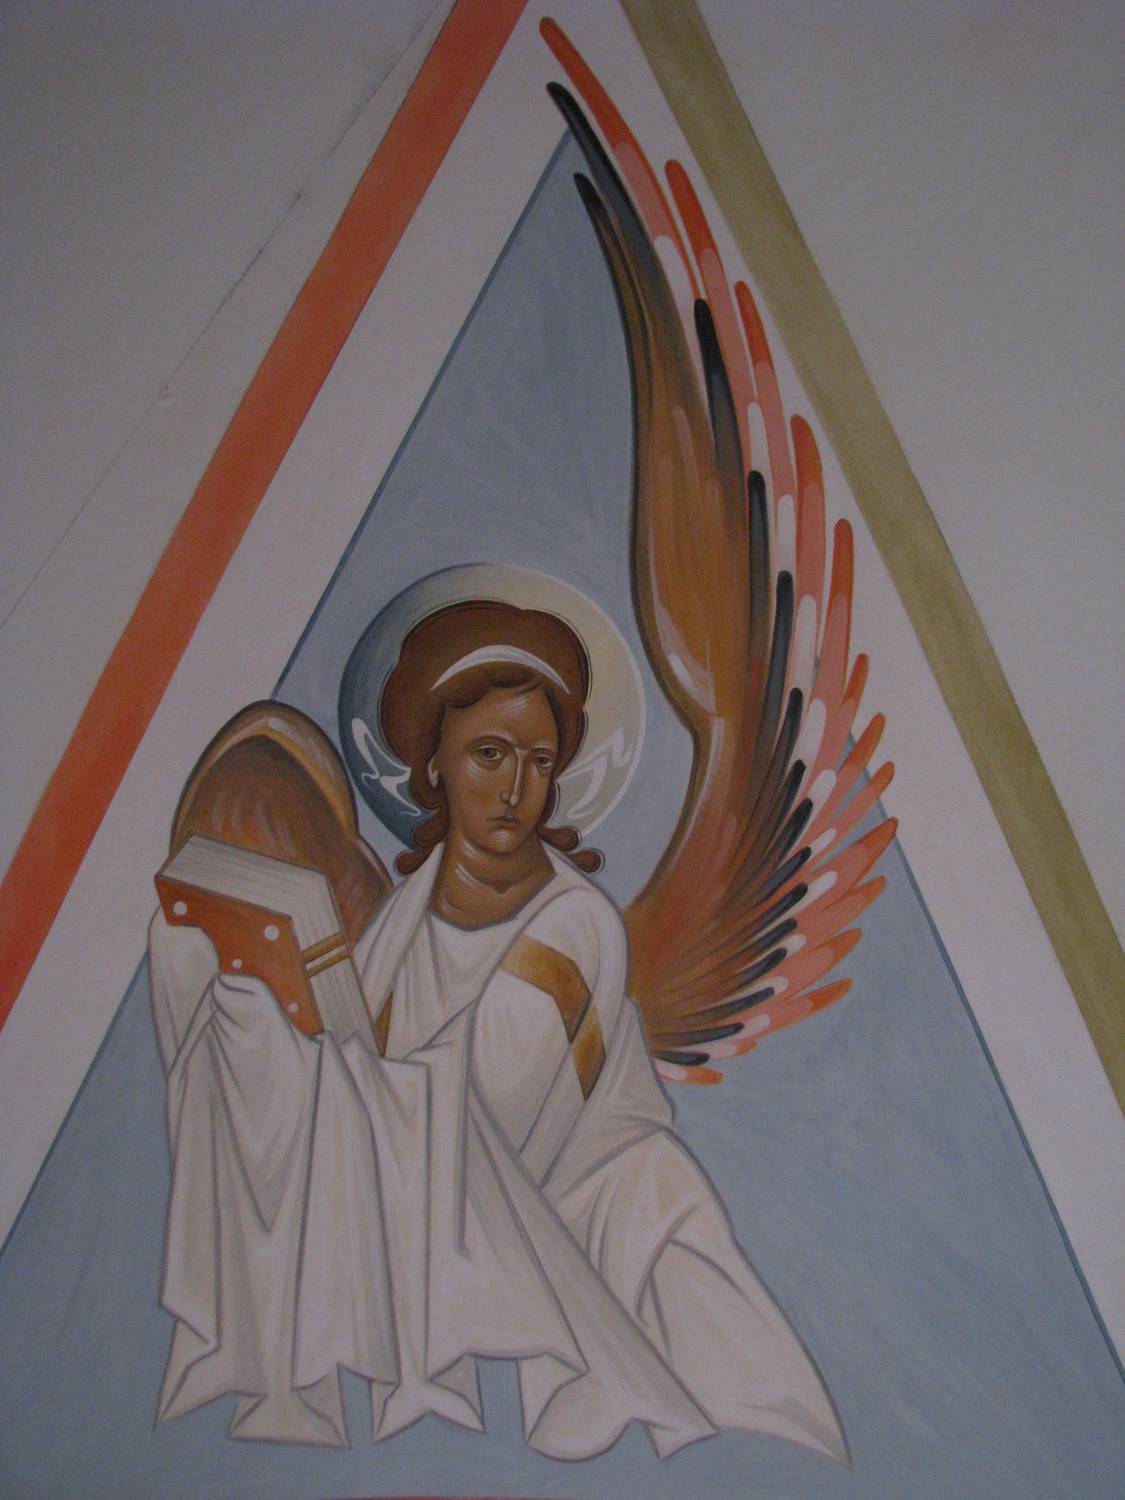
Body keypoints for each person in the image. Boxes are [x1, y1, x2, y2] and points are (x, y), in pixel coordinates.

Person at [149, 600, 846, 1463]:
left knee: (753, 1452)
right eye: (489, 754)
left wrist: (310, 1063)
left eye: (538, 761)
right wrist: (245, 1020)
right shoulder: (398, 924)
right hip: (478, 1217)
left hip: (610, 1238)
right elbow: (367, 1082)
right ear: (433, 765)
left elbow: (486, 1108)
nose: (515, 788)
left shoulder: (574, 926)